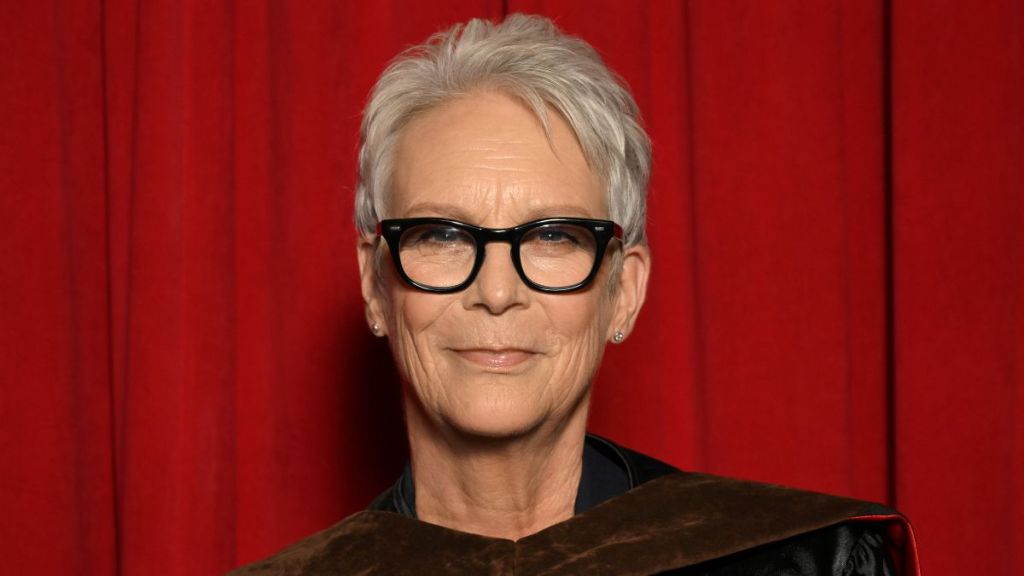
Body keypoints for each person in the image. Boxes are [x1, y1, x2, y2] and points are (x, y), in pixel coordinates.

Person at [231, 14, 917, 575]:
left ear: (624, 292)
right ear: (375, 286)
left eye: (553, 236)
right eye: (441, 234)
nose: (496, 292)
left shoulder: (798, 564)